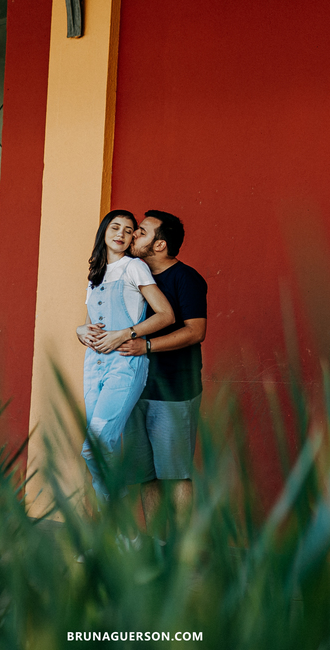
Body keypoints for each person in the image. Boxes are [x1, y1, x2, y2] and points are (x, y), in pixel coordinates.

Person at [75, 210, 175, 500]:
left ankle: (120, 535)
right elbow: (88, 324)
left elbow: (166, 315)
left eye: (129, 230)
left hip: (124, 365)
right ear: (104, 232)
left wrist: (126, 333)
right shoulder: (95, 273)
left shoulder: (134, 267)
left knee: (94, 445)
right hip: (94, 366)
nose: (120, 233)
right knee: (97, 450)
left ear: (133, 238)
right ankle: (117, 538)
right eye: (115, 227)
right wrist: (80, 331)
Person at [118, 210, 207, 533]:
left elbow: (196, 331)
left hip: (173, 390)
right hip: (134, 387)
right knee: (145, 474)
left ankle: (185, 554)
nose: (133, 235)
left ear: (160, 245)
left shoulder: (186, 279)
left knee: (175, 473)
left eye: (141, 232)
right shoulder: (133, 274)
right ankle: (157, 545)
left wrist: (148, 346)